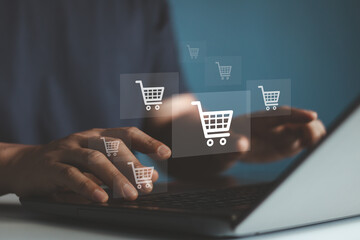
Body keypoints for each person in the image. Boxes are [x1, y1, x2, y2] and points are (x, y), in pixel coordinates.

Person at [0, 0, 325, 203]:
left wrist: (220, 136)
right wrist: (17, 162)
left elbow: (166, 119)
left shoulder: (144, 5)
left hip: (110, 213)